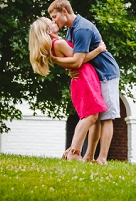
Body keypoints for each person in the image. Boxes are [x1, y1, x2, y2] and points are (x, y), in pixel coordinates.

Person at [48, 0, 121, 165]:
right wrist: (70, 70)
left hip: (106, 72)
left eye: (54, 16)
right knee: (95, 114)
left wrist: (57, 60)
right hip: (94, 75)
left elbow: (78, 60)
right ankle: (89, 156)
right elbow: (73, 59)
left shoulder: (82, 28)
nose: (54, 21)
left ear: (64, 11)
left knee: (107, 117)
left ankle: (102, 158)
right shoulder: (70, 30)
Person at [28, 17, 107, 160]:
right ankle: (74, 152)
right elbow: (79, 59)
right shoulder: (58, 43)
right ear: (47, 30)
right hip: (84, 77)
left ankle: (74, 151)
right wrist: (99, 49)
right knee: (91, 116)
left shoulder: (54, 43)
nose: (55, 22)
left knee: (89, 116)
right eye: (51, 22)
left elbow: (71, 61)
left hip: (80, 78)